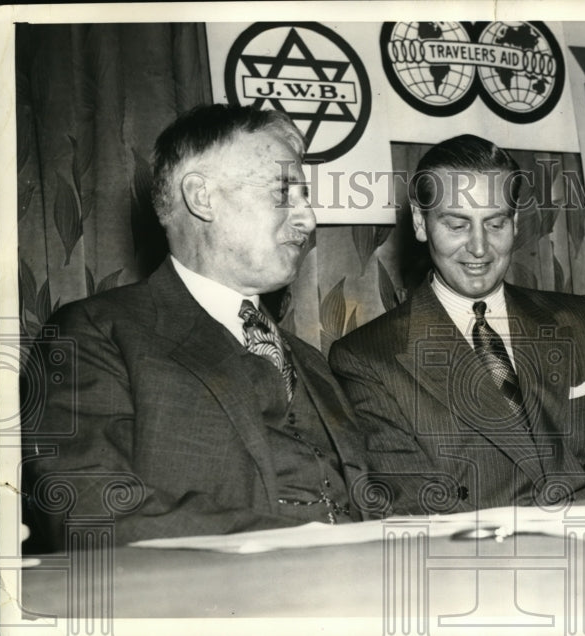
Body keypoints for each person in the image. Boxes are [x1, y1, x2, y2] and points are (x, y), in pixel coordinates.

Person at [22, 104, 367, 552]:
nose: (309, 219)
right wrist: (296, 545)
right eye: (284, 193)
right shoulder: (93, 334)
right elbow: (90, 508)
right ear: (202, 197)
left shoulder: (312, 362)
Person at [329, 134, 585, 516]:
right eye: (457, 225)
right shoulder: (368, 358)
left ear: (516, 222)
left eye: (496, 223)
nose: (480, 248)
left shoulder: (577, 321)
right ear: (421, 223)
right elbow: (416, 508)